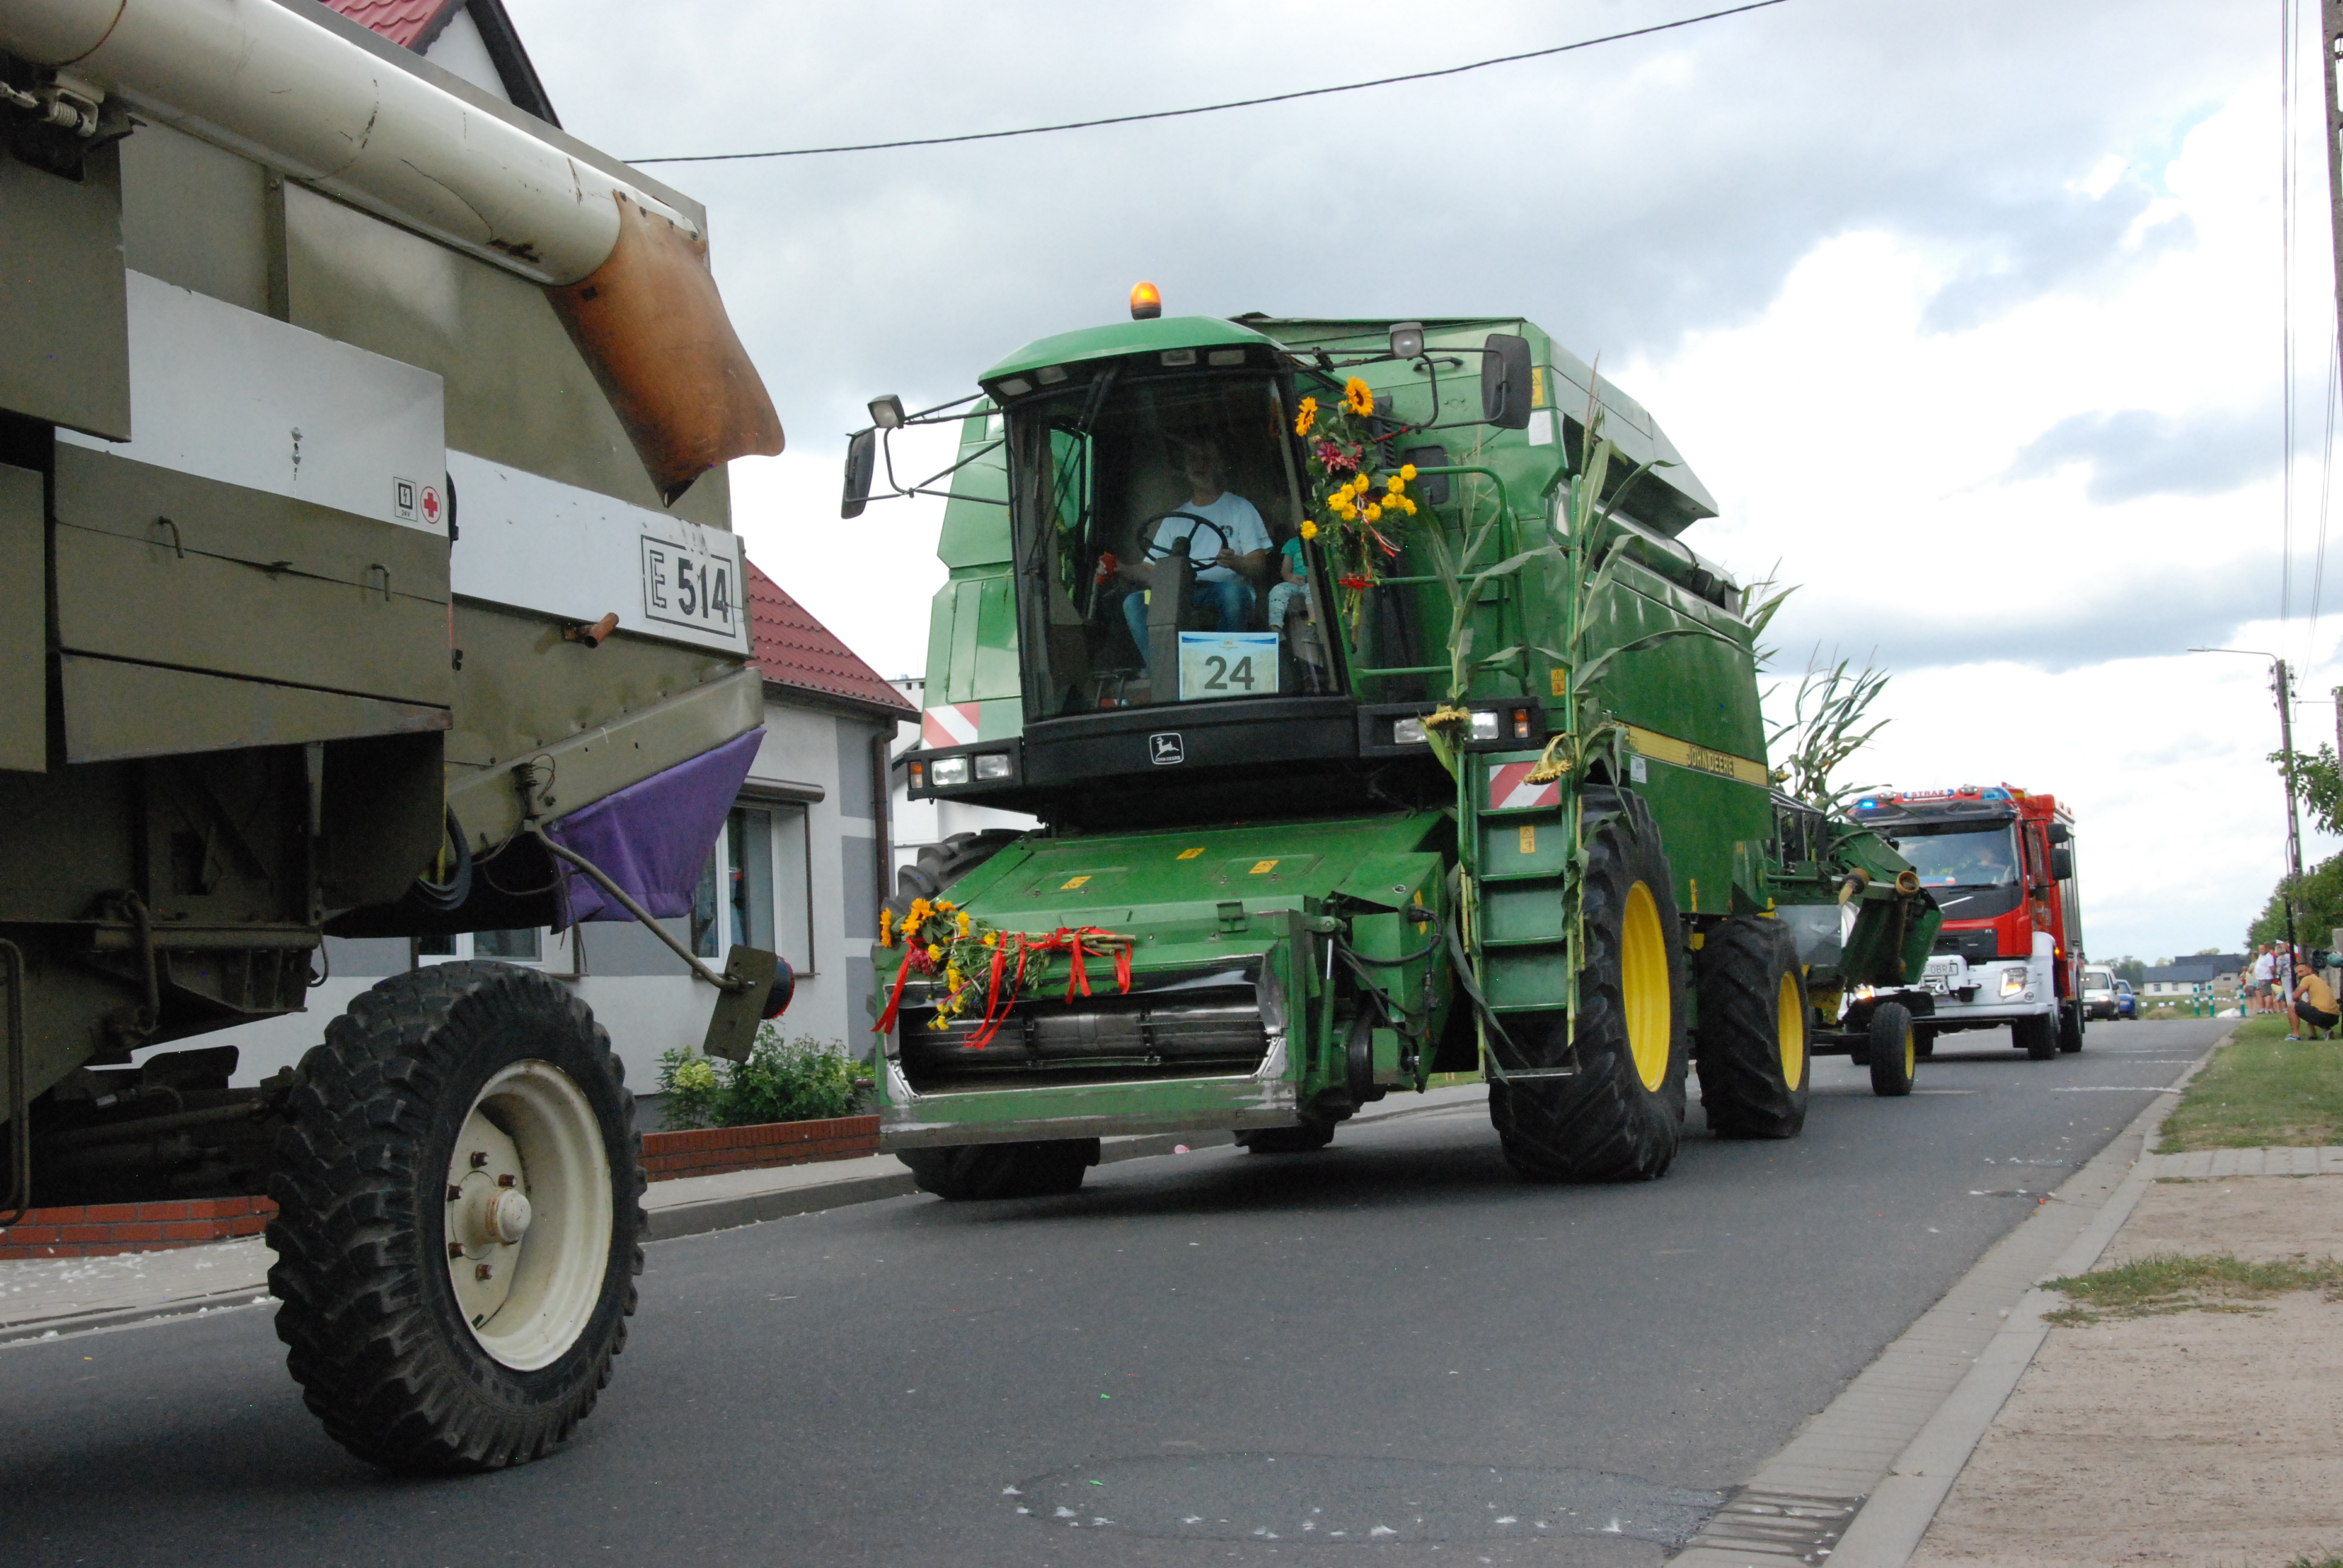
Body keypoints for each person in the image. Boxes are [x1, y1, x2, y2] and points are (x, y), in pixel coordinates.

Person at [1116, 436, 1271, 675]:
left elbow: (1259, 564)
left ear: (1220, 464)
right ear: (1185, 468)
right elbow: (1151, 571)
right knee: (1136, 602)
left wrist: (1237, 563)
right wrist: (1121, 568)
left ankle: (1225, 670)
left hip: (1223, 589)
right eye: (1192, 460)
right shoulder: (1174, 518)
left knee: (1233, 595)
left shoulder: (1240, 508)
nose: (1199, 465)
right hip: (1180, 594)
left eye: (1206, 459)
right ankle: (1165, 673)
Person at [1266, 532, 1312, 632]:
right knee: (1277, 590)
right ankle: (1276, 627)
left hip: (1312, 582)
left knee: (1311, 590)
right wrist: (1290, 577)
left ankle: (1313, 625)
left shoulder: (1319, 540)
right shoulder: (1293, 543)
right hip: (1297, 582)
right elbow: (1285, 571)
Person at [2288, 960, 2338, 1040]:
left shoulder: (2308, 979)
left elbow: (2296, 996)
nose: (2299, 975)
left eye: (2301, 971)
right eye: (2297, 974)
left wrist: (2300, 1003)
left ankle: (2295, 1035)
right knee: (2309, 1007)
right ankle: (2325, 1031)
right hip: (2334, 1018)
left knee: (2292, 1006)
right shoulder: (2320, 980)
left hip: (2323, 1015)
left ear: (2310, 970)